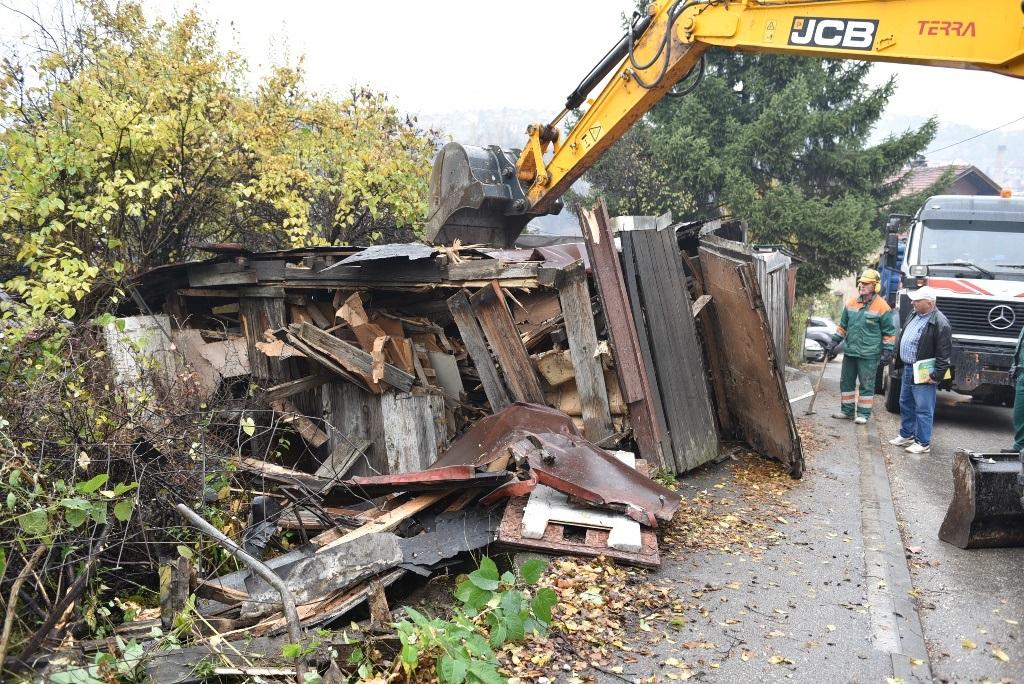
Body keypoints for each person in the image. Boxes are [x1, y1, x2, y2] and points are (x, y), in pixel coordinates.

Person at [887, 286, 952, 454]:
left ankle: (923, 443)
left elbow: (944, 353)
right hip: (909, 368)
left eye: (917, 300)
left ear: (929, 303)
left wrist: (936, 375)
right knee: (905, 402)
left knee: (923, 408)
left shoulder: (940, 322)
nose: (912, 302)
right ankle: (906, 434)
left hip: (924, 371)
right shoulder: (914, 314)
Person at [827, 269, 896, 425]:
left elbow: (889, 333)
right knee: (846, 382)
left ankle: (863, 414)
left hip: (869, 354)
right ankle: (847, 411)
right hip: (850, 351)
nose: (862, 285)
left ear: (875, 286)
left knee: (866, 384)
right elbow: (842, 326)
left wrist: (887, 351)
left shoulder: (882, 307)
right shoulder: (851, 303)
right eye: (861, 283)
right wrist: (833, 342)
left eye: (866, 283)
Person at [1011, 324, 1024, 453]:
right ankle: (1019, 447)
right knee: (1018, 415)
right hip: (1022, 374)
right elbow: (1020, 347)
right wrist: (1014, 365)